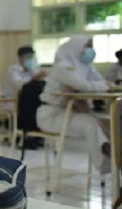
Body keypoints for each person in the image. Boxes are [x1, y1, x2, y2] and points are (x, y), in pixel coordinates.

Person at [37, 36, 111, 173]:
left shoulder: (86, 67)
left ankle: (116, 155)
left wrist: (99, 85)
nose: (90, 50)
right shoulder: (64, 67)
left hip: (70, 113)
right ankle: (106, 162)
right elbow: (84, 85)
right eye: (87, 46)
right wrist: (101, 86)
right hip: (51, 115)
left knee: (107, 122)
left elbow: (102, 83)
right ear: (76, 48)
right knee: (89, 123)